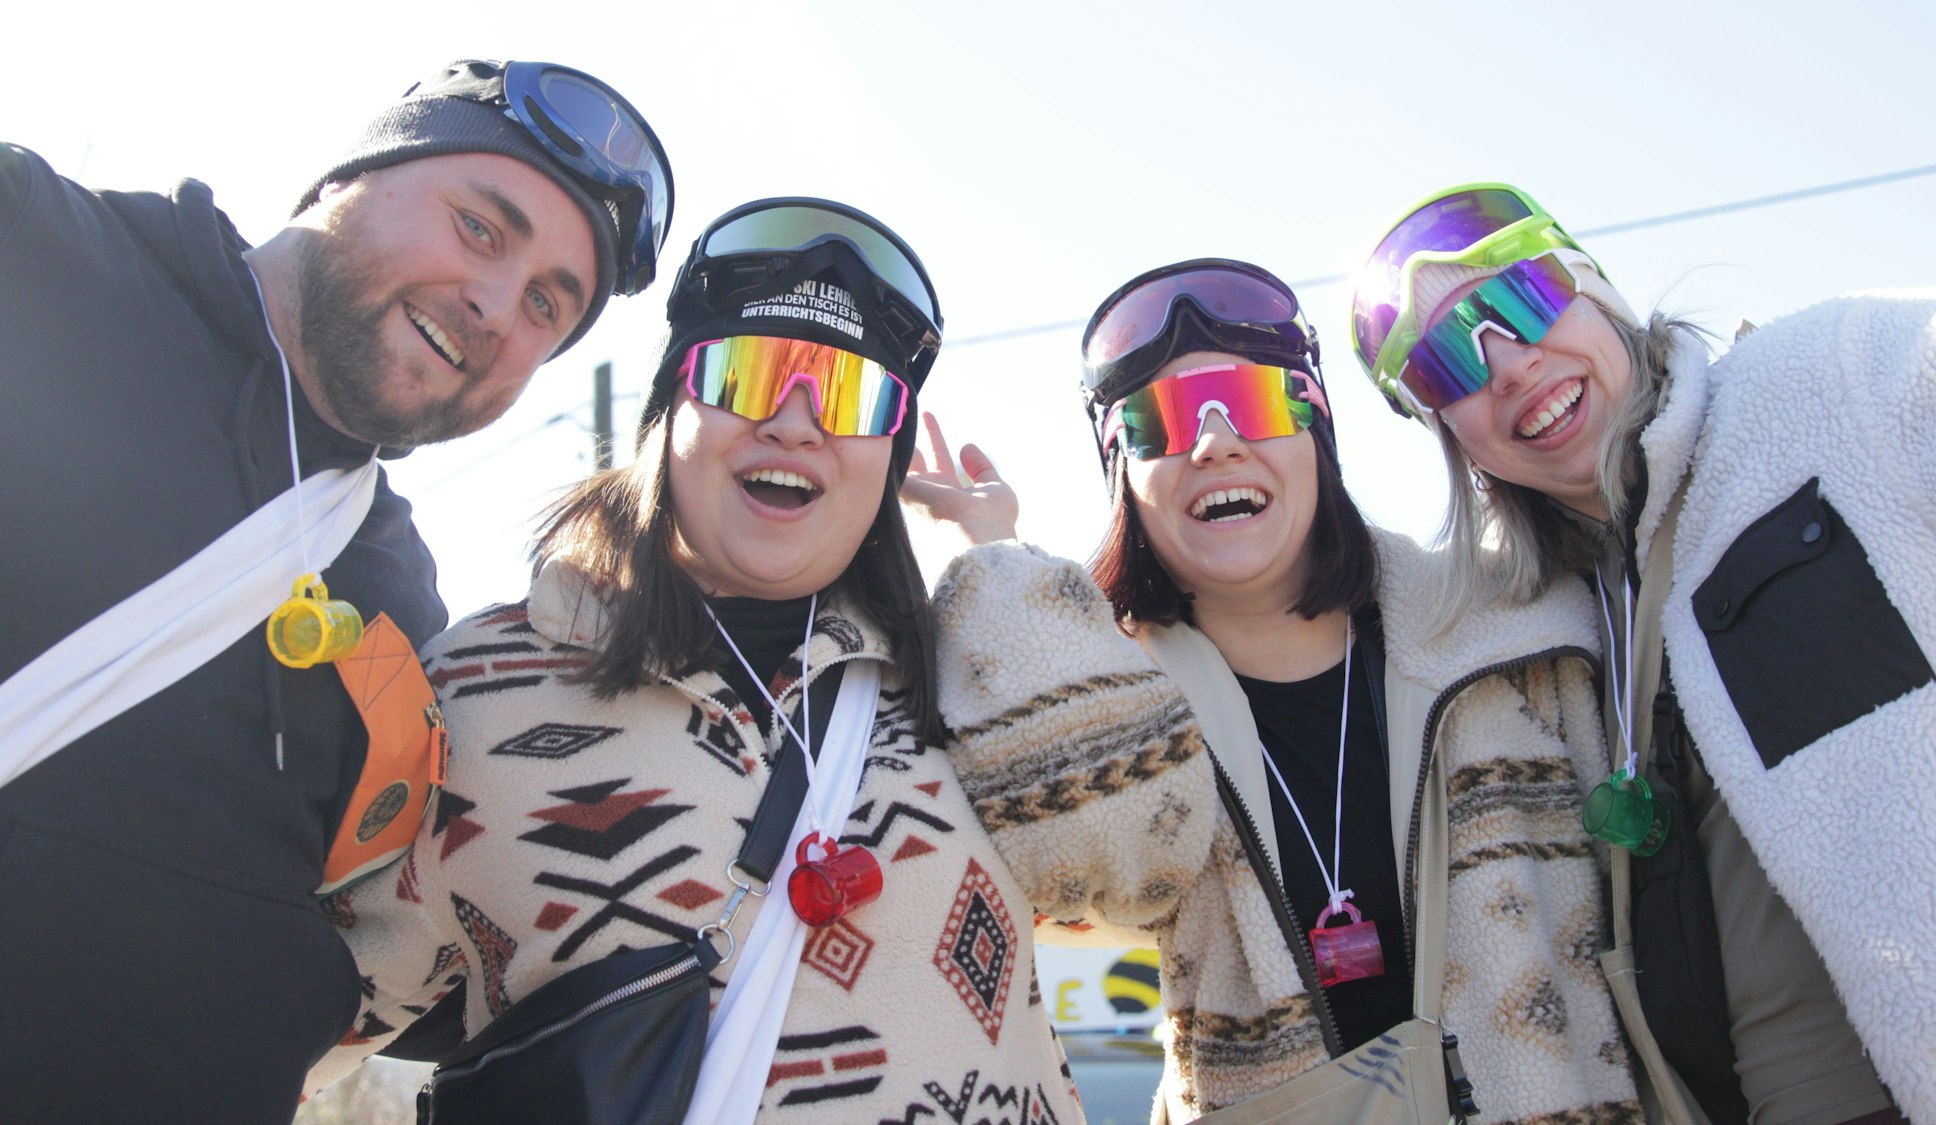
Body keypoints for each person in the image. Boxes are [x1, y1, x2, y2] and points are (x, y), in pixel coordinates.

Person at [308, 198, 1164, 1122]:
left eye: (850, 395)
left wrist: (997, 561)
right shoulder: (474, 691)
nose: (795, 423)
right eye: (749, 375)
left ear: (889, 458)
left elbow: (1143, 868)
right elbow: (296, 1019)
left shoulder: (972, 677)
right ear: (670, 411)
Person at [0, 59, 669, 1122]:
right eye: (479, 228)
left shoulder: (405, 616)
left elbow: (435, 938)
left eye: (548, 303)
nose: (495, 306)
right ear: (345, 178)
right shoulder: (32, 252)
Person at [911, 258, 1642, 1122]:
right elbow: (1083, 857)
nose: (1215, 443)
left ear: (1316, 433)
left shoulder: (1513, 635)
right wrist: (997, 559)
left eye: (1252, 401)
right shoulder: (1125, 709)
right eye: (1162, 421)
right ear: (1124, 480)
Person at [1349, 183, 1936, 1123]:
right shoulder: (1535, 628)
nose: (1512, 364)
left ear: (1593, 285)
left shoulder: (1818, 386)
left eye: (1522, 297)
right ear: (1449, 434)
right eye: (1451, 362)